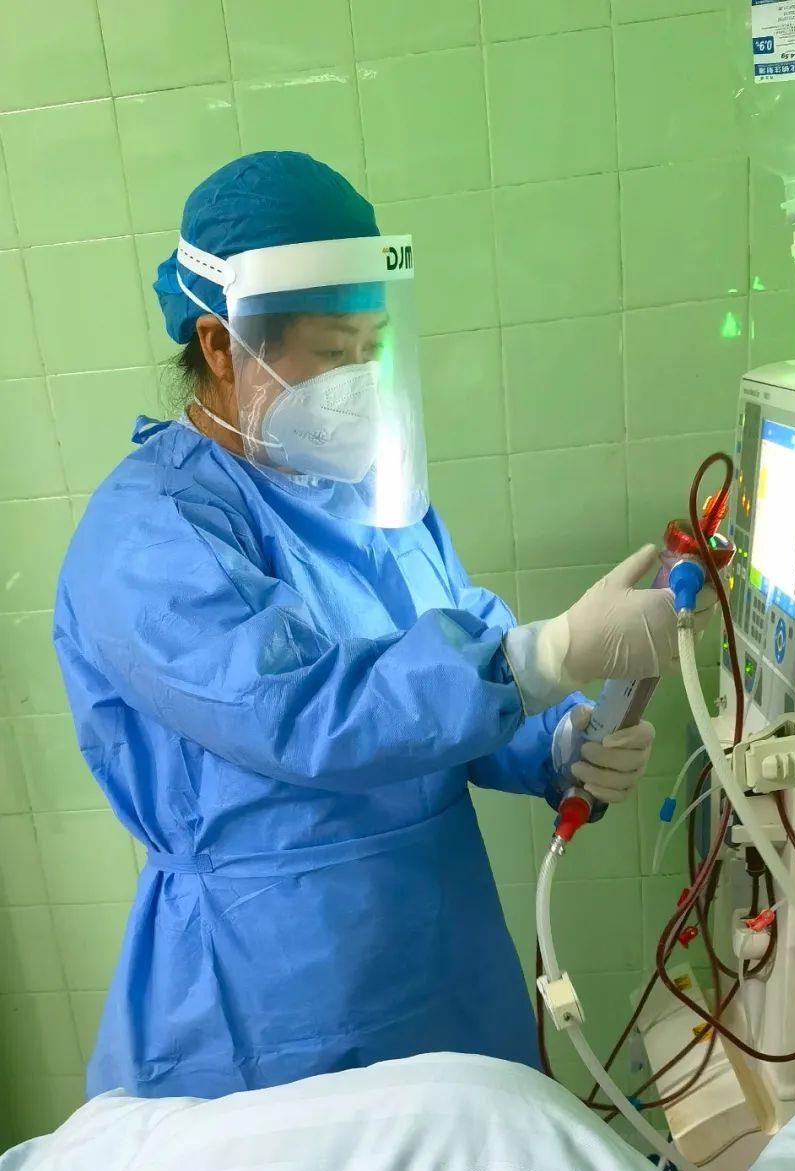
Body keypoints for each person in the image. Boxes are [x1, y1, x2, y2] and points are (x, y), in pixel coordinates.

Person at [53, 152, 704, 1102]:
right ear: (222, 345)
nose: (361, 378)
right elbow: (303, 711)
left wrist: (560, 742)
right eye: (333, 351)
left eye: (374, 346)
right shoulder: (151, 532)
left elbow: (451, 652)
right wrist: (549, 656)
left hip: (439, 957)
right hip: (270, 992)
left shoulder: (369, 496)